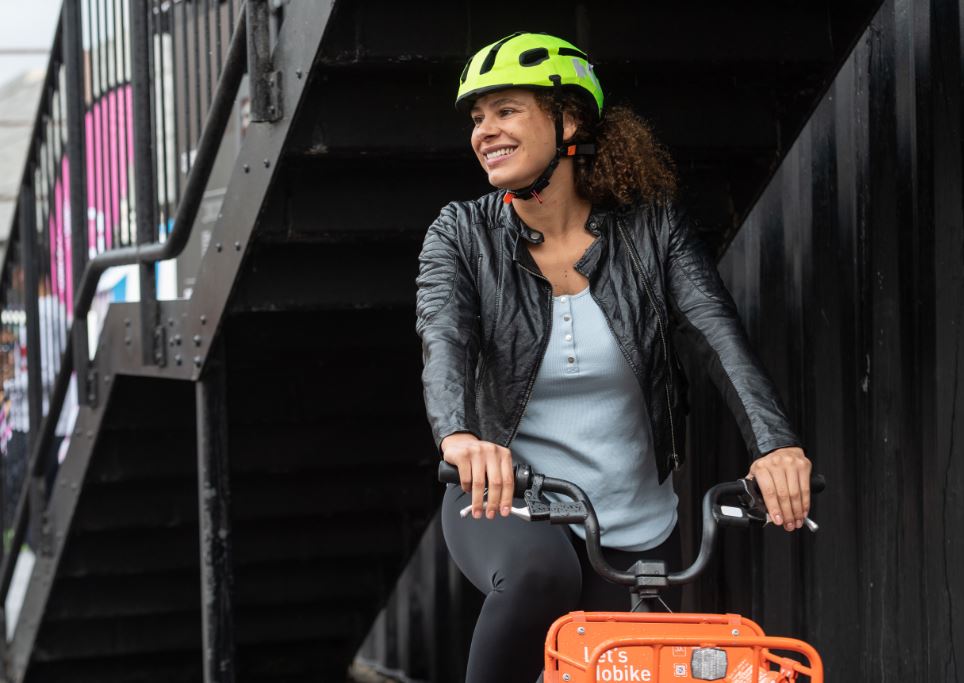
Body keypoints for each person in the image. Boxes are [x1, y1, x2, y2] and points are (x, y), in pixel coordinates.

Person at [415, 32, 812, 683]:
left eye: (505, 110)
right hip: (504, 500)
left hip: (638, 525)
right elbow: (445, 340)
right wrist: (460, 439)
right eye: (477, 117)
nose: (484, 130)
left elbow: (718, 338)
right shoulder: (461, 233)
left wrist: (775, 445)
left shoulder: (653, 230)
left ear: (569, 118)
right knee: (542, 574)